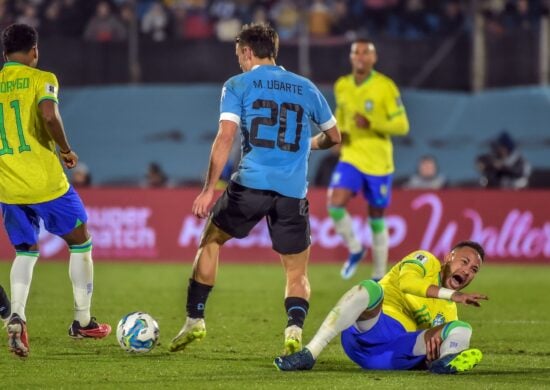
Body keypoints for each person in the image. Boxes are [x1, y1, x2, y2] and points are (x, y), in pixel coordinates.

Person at [169, 23, 341, 356]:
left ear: (247, 51)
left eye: (239, 56)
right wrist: (307, 144)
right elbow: (335, 138)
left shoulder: (238, 84)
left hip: (250, 185)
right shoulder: (306, 87)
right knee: (296, 269)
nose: (239, 62)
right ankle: (293, 329)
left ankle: (195, 319)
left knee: (212, 240)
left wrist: (208, 189)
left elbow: (226, 136)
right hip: (292, 192)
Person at [0, 24, 111, 358]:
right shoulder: (42, 77)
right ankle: (83, 320)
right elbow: (49, 115)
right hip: (45, 181)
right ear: (34, 50)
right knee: (81, 241)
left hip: (7, 185)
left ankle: (17, 314)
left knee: (25, 250)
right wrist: (65, 149)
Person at [274, 241, 488, 374]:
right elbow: (408, 283)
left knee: (461, 328)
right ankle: (309, 354)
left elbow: (424, 341)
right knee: (371, 288)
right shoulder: (426, 261)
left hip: (393, 353)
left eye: (473, 269)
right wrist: (454, 294)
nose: (467, 270)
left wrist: (432, 353)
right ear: (449, 257)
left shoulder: (449, 309)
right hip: (369, 330)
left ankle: (445, 362)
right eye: (464, 261)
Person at [328, 38, 409, 281]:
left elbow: (402, 125)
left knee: (376, 215)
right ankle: (355, 248)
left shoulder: (385, 86)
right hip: (351, 155)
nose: (361, 57)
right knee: (335, 203)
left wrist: (372, 123)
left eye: (366, 53)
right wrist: (336, 137)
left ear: (373, 58)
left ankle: (378, 274)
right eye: (356, 53)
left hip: (378, 161)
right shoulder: (342, 85)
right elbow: (339, 116)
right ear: (351, 57)